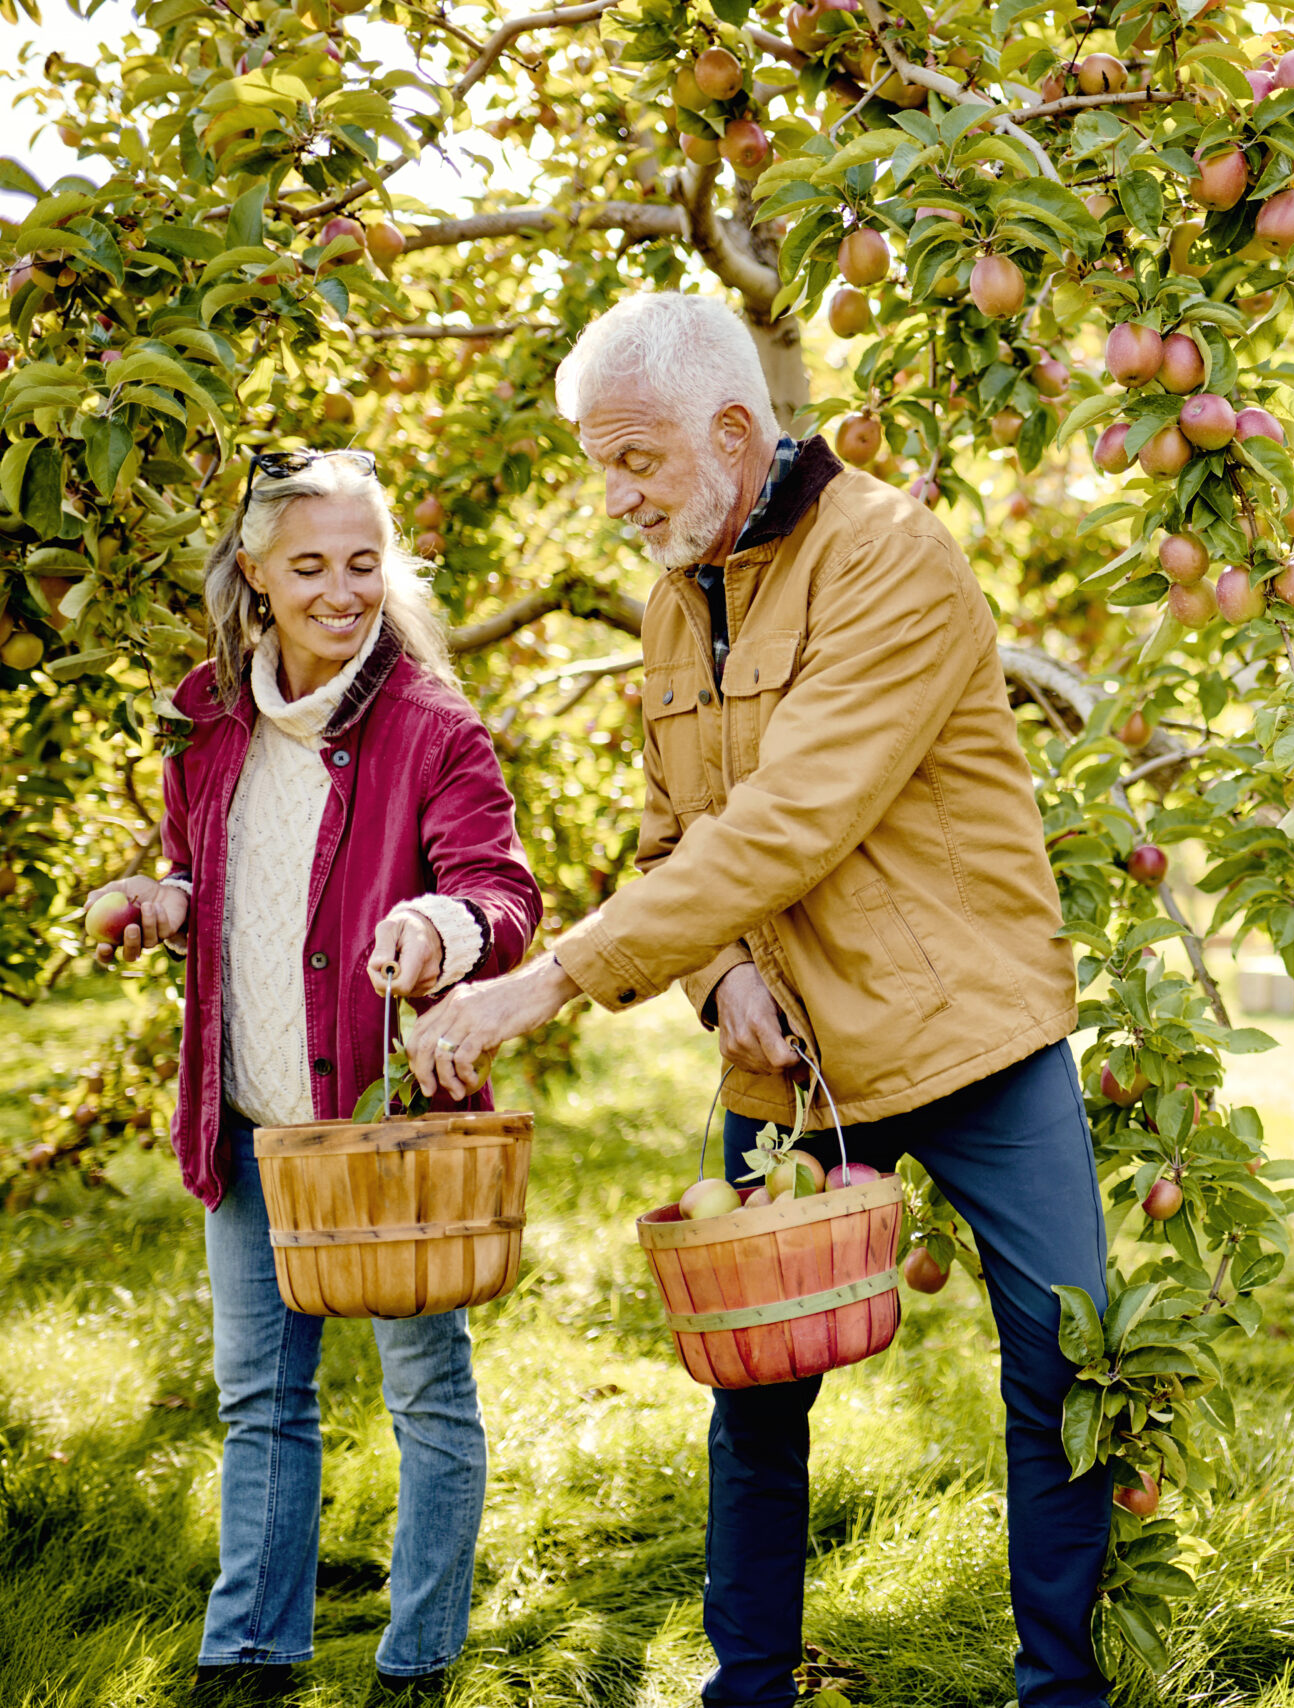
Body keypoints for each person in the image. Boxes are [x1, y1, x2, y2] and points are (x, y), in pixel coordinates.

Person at [402, 292, 1110, 1708]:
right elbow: (676, 842)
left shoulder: (890, 556)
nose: (616, 499)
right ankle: (750, 1686)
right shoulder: (678, 601)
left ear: (733, 431)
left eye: (637, 461)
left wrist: (548, 982)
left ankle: (1062, 1691)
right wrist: (720, 971)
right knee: (755, 1384)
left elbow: (793, 819)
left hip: (967, 1033)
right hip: (790, 1067)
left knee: (1067, 1365)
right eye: (602, 468)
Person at [90, 449, 542, 1706]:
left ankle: (418, 1662)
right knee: (261, 1399)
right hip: (249, 1114)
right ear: (255, 573)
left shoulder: (432, 725)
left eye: (362, 562)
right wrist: (163, 899)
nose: (341, 592)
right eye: (310, 567)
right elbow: (206, 870)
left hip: (382, 1125)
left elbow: (502, 891)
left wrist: (441, 925)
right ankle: (251, 1656)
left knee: (425, 1392)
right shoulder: (206, 715)